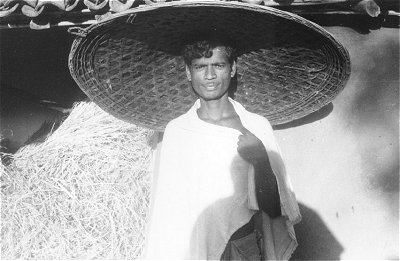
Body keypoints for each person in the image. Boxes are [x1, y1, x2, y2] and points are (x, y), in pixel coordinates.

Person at [144, 33, 301, 260]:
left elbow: (275, 210)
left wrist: (260, 160)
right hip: (194, 251)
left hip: (243, 248)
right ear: (188, 72)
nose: (209, 75)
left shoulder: (256, 126)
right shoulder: (178, 132)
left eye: (218, 65)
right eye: (200, 67)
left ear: (233, 68)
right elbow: (168, 215)